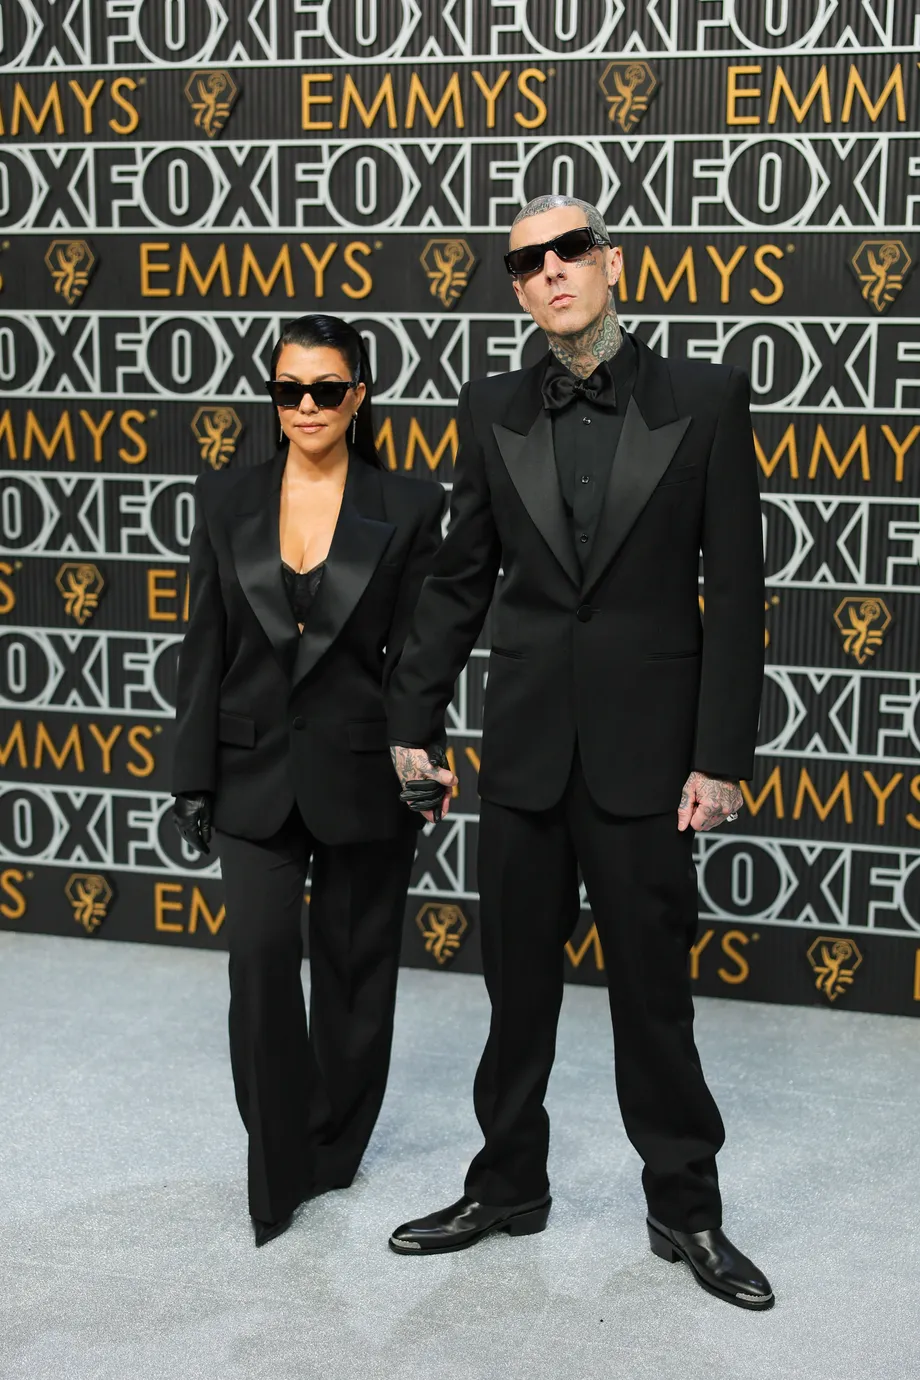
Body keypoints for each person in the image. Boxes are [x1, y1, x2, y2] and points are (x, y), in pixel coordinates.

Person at [385, 196, 773, 1310]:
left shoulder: (704, 397)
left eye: (568, 250)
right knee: (514, 992)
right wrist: (411, 721)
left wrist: (719, 757)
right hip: (523, 751)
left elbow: (736, 590)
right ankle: (507, 1185)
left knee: (654, 997)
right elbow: (461, 579)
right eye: (525, 263)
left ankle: (685, 1208)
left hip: (648, 758)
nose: (549, 271)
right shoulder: (491, 406)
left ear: (610, 262)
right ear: (517, 289)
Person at [170, 314, 445, 1247]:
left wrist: (419, 754)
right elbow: (203, 644)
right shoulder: (225, 496)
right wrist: (192, 777)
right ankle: (278, 1151)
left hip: (363, 772)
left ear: (358, 396)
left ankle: (332, 1145)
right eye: (289, 390)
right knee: (258, 963)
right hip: (248, 769)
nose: (308, 406)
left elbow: (417, 656)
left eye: (327, 389)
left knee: (356, 976)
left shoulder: (409, 505)